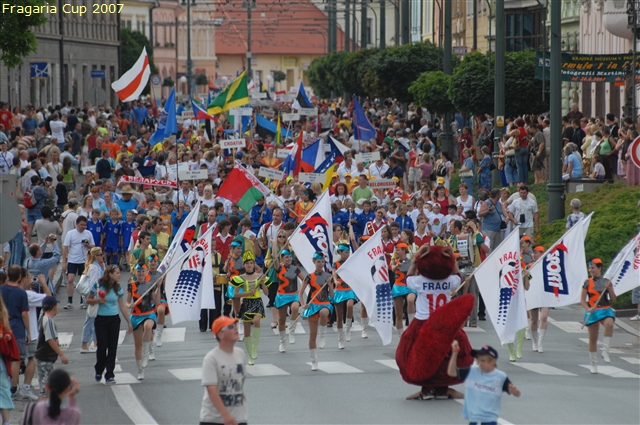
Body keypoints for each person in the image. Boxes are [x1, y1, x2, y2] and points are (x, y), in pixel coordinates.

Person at [447, 342, 521, 424]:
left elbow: (517, 394)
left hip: (489, 418)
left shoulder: (500, 377)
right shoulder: (472, 372)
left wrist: (515, 391)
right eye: (478, 361)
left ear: (493, 361)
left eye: (483, 361)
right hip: (474, 417)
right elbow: (451, 372)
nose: (479, 364)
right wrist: (454, 353)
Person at [86, 265, 132, 384]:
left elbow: (122, 306)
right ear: (110, 274)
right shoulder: (98, 285)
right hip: (101, 319)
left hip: (114, 319)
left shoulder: (118, 287)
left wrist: (129, 322)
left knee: (112, 347)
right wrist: (99, 300)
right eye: (117, 273)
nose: (120, 275)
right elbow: (88, 300)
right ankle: (99, 369)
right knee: (102, 347)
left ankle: (110, 374)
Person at [200, 316, 248, 425]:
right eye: (230, 327)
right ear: (220, 335)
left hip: (239, 418)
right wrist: (225, 415)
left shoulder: (240, 353)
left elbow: (242, 378)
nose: (235, 328)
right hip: (214, 419)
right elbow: (211, 390)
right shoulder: (211, 358)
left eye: (235, 325)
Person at [232, 251, 269, 366]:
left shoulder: (259, 276)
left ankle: (255, 347)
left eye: (251, 263)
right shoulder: (240, 278)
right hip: (246, 303)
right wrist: (247, 293)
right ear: (244, 265)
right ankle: (250, 356)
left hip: (257, 302)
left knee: (257, 320)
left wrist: (263, 283)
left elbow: (267, 293)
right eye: (247, 263)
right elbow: (235, 294)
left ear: (254, 264)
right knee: (247, 331)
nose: (249, 265)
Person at [580, 258, 616, 374]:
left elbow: (614, 299)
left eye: (593, 268)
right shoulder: (587, 282)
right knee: (593, 339)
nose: (591, 270)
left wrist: (609, 288)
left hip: (605, 309)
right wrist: (588, 308)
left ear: (599, 268)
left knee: (609, 324)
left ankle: (605, 351)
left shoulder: (607, 282)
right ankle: (593, 363)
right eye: (590, 268)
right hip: (593, 311)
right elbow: (582, 300)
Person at [299, 252, 334, 371]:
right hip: (313, 305)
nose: (320, 264)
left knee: (324, 313)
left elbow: (332, 295)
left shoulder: (328, 276)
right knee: (312, 335)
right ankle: (314, 361)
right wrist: (303, 304)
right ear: (314, 262)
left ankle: (322, 335)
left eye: (322, 262)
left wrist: (330, 284)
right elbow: (301, 292)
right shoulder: (309, 277)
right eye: (318, 262)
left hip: (325, 304)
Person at [0, 265, 30, 401]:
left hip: (3, 328)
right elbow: (24, 314)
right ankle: (13, 387)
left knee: (4, 357)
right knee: (16, 359)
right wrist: (29, 332)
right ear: (19, 277)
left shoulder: (1, 290)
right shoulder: (21, 293)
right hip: (17, 328)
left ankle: (5, 384)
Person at [127, 262, 159, 380]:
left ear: (146, 272)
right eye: (138, 271)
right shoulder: (131, 285)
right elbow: (127, 302)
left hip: (149, 313)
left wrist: (159, 286)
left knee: (148, 326)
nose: (140, 273)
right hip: (136, 315)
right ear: (135, 272)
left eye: (143, 271)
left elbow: (156, 301)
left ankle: (146, 353)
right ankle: (140, 370)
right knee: (137, 345)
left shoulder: (150, 285)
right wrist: (129, 305)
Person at [34, 296, 69, 397]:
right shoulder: (48, 321)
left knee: (45, 387)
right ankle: (46, 406)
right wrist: (62, 355)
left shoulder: (42, 318)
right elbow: (50, 340)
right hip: (45, 357)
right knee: (47, 388)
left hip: (43, 356)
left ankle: (46, 404)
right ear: (54, 307)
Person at [272, 246, 302, 353]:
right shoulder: (279, 268)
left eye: (290, 257)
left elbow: (305, 279)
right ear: (282, 258)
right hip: (282, 296)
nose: (289, 259)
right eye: (286, 257)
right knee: (281, 320)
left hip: (293, 295)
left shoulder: (295, 269)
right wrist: (274, 243)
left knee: (295, 308)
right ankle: (282, 342)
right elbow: (274, 257)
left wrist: (301, 290)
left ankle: (292, 331)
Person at [62, 216, 94, 309]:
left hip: (84, 261)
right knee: (70, 279)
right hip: (72, 260)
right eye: (81, 225)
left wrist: (87, 245)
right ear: (77, 224)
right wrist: (64, 262)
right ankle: (69, 301)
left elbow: (93, 247)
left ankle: (82, 301)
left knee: (83, 281)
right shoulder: (70, 233)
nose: (83, 227)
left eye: (85, 225)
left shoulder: (88, 233)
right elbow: (65, 247)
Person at [332, 243, 359, 349]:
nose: (347, 254)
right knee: (339, 316)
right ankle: (340, 339)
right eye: (345, 252)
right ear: (340, 253)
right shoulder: (336, 263)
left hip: (349, 289)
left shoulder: (351, 262)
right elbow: (334, 274)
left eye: (348, 252)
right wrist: (335, 281)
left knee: (350, 305)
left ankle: (347, 329)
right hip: (339, 290)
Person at [80, 248, 103, 353]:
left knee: (94, 319)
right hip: (93, 296)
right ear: (95, 256)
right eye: (100, 255)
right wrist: (96, 298)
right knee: (90, 319)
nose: (102, 256)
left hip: (96, 296)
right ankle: (85, 343)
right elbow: (94, 284)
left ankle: (95, 342)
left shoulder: (98, 266)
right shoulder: (93, 267)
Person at [390, 243, 417, 335]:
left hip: (409, 286)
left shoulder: (411, 262)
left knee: (410, 300)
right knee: (399, 315)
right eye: (396, 250)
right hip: (398, 287)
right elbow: (393, 269)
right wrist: (397, 266)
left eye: (398, 250)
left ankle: (412, 324)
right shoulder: (395, 261)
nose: (396, 252)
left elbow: (415, 273)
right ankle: (400, 336)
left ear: (404, 251)